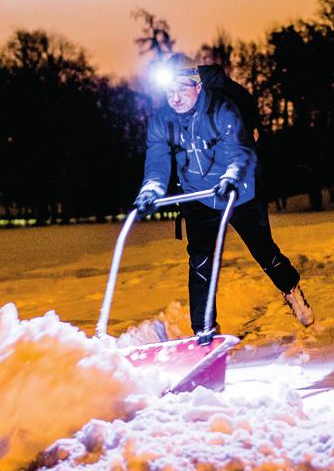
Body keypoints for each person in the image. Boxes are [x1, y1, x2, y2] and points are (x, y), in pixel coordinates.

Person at [134, 52, 314, 335]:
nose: (176, 97)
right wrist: (151, 189)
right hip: (198, 195)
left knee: (263, 251)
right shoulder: (162, 121)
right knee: (201, 263)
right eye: (170, 91)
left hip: (238, 192)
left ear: (197, 86)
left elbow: (238, 149)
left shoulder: (222, 108)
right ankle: (204, 332)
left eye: (182, 88)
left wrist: (231, 177)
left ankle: (291, 288)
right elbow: (158, 160)